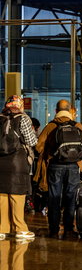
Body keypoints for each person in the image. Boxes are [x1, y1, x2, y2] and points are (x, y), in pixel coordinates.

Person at [35, 99, 82, 239]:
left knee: (54, 198)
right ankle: (69, 229)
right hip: (73, 166)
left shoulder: (51, 126)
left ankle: (54, 230)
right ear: (70, 110)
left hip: (55, 165)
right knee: (70, 198)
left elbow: (39, 146)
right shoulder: (78, 125)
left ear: (56, 111)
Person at [0, 95, 38, 240]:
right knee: (17, 194)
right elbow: (31, 140)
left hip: (1, 161)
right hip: (17, 161)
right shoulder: (23, 118)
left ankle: (2, 228)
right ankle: (20, 228)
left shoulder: (0, 117)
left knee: (2, 194)